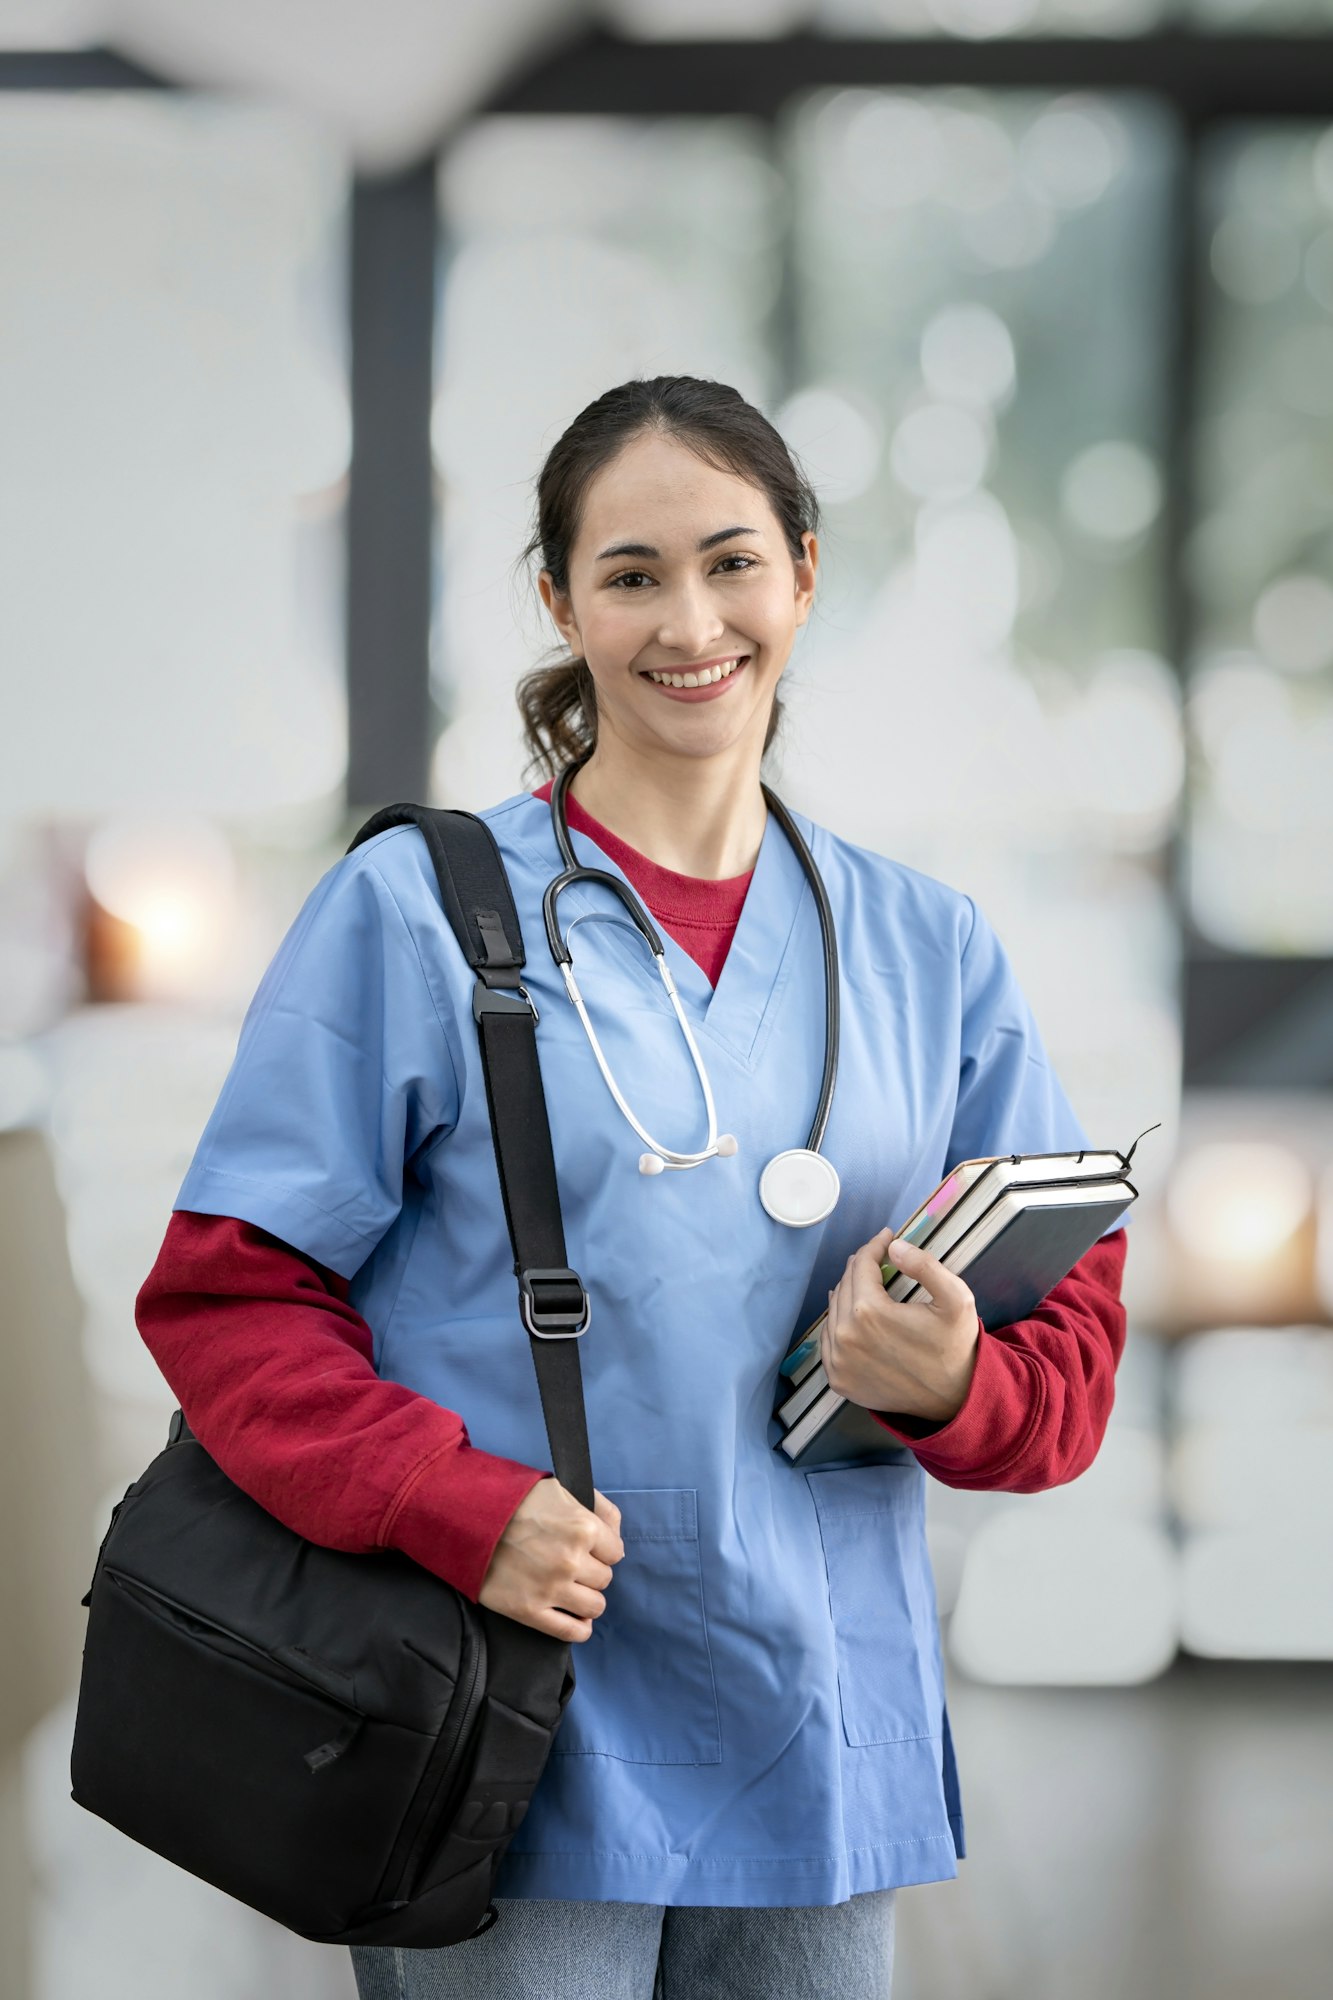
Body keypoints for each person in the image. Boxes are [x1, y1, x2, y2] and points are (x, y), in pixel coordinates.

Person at [136, 375, 1130, 1999]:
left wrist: (958, 1380)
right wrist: (453, 1507)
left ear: (803, 575)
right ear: (558, 600)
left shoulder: (926, 946)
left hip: (818, 1736)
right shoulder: (413, 913)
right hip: (512, 1725)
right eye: (631, 572)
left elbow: (1067, 1344)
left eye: (733, 562)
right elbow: (230, 1297)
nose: (692, 620)